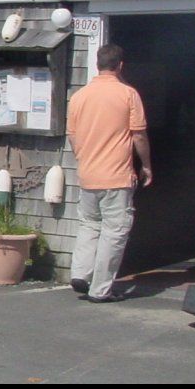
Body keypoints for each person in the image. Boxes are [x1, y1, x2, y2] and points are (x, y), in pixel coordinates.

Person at [66, 44, 152, 303]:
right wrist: (146, 165)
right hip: (117, 176)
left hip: (88, 173)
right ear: (120, 66)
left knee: (89, 225)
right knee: (114, 232)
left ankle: (80, 272)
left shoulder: (79, 96)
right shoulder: (128, 94)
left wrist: (83, 158)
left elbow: (72, 135)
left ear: (97, 64)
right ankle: (100, 289)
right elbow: (138, 135)